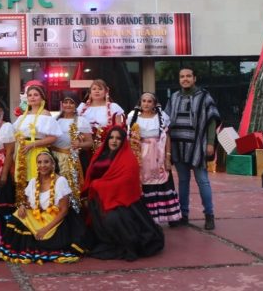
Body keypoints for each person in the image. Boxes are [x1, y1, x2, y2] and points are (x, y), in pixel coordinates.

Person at [83, 126, 165, 261]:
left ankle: (127, 245)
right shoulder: (100, 153)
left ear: (123, 141)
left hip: (120, 200)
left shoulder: (128, 158)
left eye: (118, 138)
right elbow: (91, 173)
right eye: (111, 138)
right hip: (98, 198)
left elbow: (126, 181)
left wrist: (98, 185)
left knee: (113, 218)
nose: (114, 141)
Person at [0, 151, 85, 264]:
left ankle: (39, 245)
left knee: (42, 234)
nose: (43, 165)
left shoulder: (60, 181)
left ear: (53, 164)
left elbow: (64, 211)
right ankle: (27, 247)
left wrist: (46, 229)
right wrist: (22, 207)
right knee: (16, 216)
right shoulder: (34, 182)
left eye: (46, 162)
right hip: (38, 215)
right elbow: (27, 202)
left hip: (54, 218)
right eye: (39, 162)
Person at [164, 68, 221, 230]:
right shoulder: (173, 97)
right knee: (182, 182)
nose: (185, 79)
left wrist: (210, 142)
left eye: (188, 76)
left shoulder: (204, 97)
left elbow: (212, 120)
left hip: (198, 147)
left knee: (203, 181)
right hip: (178, 146)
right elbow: (165, 121)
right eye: (182, 76)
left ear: (194, 78)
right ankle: (183, 215)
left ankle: (209, 215)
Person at [126, 93, 183, 226]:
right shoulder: (132, 117)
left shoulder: (161, 117)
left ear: (154, 103)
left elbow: (167, 137)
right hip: (141, 155)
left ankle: (170, 215)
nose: (146, 104)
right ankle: (146, 218)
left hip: (158, 155)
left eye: (149, 101)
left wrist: (168, 158)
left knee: (163, 182)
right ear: (140, 103)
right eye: (143, 101)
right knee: (144, 184)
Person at [13, 83, 59, 204]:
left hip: (38, 151)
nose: (32, 97)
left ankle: (39, 206)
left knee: (38, 180)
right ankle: (24, 207)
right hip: (23, 152)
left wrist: (32, 145)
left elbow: (53, 138)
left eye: (36, 95)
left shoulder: (45, 114)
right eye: (30, 95)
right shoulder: (23, 116)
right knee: (23, 182)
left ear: (42, 97)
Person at [54, 95, 93, 210]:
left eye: (71, 103)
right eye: (65, 102)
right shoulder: (55, 120)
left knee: (72, 188)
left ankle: (73, 211)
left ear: (76, 105)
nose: (68, 105)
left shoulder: (81, 121)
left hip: (73, 160)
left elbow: (90, 143)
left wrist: (79, 144)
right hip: (55, 159)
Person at [77, 79, 125, 167]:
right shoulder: (82, 108)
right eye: (94, 89)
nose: (97, 91)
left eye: (100, 89)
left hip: (106, 146)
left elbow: (119, 130)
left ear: (106, 91)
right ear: (90, 92)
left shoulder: (113, 107)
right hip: (85, 147)